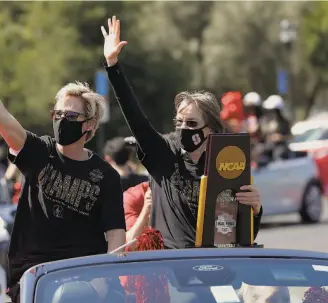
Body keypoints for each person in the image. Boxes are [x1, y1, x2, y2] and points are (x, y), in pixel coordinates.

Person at [0, 57, 126, 302]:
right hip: (36, 274)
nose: (62, 119)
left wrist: (103, 281)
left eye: (71, 116)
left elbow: (117, 237)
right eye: (58, 113)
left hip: (87, 274)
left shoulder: (106, 176)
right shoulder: (40, 151)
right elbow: (2, 119)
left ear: (90, 125)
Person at [100, 16, 262, 249]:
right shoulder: (164, 153)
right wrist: (113, 66)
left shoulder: (227, 166)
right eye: (180, 122)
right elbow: (136, 117)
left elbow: (240, 234)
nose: (184, 128)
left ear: (212, 129)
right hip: (171, 271)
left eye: (192, 123)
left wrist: (255, 209)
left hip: (216, 270)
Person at [260, 95, 292, 161]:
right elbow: (263, 134)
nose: (270, 112)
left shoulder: (284, 122)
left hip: (281, 148)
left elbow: (290, 136)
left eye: (273, 110)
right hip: (268, 147)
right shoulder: (265, 121)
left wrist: (281, 137)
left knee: (278, 155)